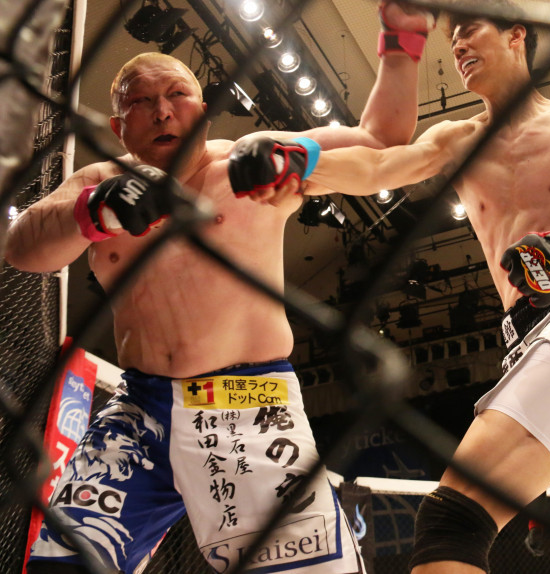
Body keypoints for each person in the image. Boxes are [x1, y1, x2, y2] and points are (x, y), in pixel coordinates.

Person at [226, 4, 550, 573]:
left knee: (452, 522)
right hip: (526, 342)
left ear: (515, 35)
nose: (456, 47)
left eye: (468, 32)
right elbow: (379, 168)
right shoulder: (457, 139)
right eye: (451, 41)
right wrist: (299, 162)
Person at [5, 3, 434, 573]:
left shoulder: (250, 163)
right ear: (117, 128)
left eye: (176, 95)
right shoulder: (97, 183)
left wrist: (402, 37)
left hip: (249, 403)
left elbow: (380, 140)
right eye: (140, 101)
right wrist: (94, 212)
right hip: (141, 411)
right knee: (60, 564)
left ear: (204, 111)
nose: (162, 111)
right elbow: (21, 249)